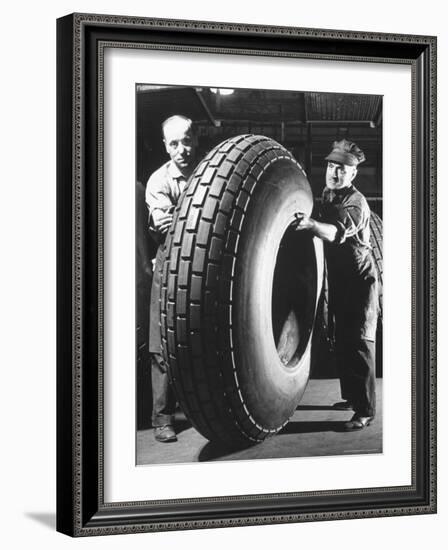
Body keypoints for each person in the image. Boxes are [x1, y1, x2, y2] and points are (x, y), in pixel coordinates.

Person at [293, 139, 378, 431]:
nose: (334, 172)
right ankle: (353, 398)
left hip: (361, 280)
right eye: (331, 166)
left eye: (342, 169)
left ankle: (365, 411)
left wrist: (311, 226)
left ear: (353, 174)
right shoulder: (328, 195)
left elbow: (334, 232)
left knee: (359, 342)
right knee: (342, 338)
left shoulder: (356, 203)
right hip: (339, 278)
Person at [145, 115, 197, 442]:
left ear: (196, 138)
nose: (181, 149)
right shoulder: (157, 181)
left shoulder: (211, 172)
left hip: (207, 267)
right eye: (174, 143)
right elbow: (167, 227)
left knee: (201, 340)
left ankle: (202, 411)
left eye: (186, 141)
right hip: (169, 262)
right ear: (165, 146)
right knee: (160, 344)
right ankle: (162, 418)